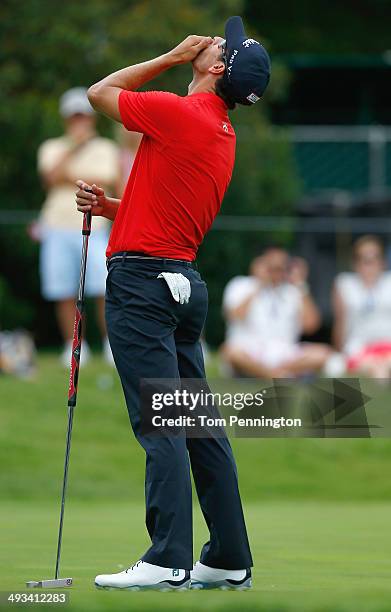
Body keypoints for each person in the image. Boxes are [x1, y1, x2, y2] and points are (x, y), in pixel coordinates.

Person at [75, 16, 270, 591]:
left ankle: (166, 558)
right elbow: (169, 214)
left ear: (214, 70)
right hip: (181, 284)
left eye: (219, 47)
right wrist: (114, 208)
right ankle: (228, 556)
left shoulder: (181, 112)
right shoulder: (220, 133)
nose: (213, 40)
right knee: (197, 425)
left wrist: (169, 54)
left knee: (161, 422)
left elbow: (100, 93)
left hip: (142, 284)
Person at [37, 87, 120, 365]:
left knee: (102, 288)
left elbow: (107, 178)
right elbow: (50, 177)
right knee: (62, 290)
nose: (79, 122)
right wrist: (74, 148)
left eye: (83, 116)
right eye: (74, 117)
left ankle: (111, 344)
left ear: (91, 118)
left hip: (95, 227)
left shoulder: (106, 148)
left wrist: (69, 176)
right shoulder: (52, 147)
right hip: (56, 226)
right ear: (66, 119)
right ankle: (72, 346)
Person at [222, 248, 331, 378]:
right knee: (231, 352)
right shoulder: (241, 284)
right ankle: (276, 375)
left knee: (324, 354)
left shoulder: (294, 291)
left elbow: (311, 325)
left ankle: (268, 373)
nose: (276, 272)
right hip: (250, 351)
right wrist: (259, 284)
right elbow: (235, 316)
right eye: (271, 266)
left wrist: (301, 284)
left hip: (285, 354)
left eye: (281, 267)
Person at [332, 235, 391, 378]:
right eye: (364, 259)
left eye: (374, 258)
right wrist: (339, 354)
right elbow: (340, 322)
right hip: (358, 349)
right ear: (355, 262)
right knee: (375, 367)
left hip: (388, 346)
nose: (369, 263)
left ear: (382, 261)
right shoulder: (344, 284)